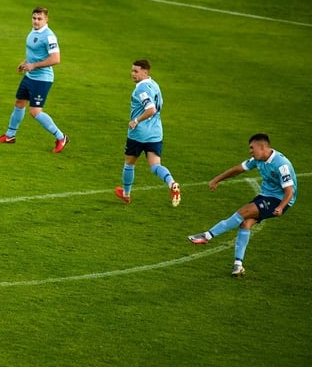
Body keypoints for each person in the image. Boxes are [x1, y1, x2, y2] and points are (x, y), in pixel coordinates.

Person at [188, 133, 297, 277]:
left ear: (262, 147)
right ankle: (238, 265)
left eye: (252, 148)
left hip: (281, 200)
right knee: (245, 223)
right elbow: (238, 169)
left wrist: (281, 207)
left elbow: (289, 191)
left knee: (243, 212)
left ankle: (207, 235)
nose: (250, 151)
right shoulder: (258, 159)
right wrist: (217, 179)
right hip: (265, 196)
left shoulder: (281, 164)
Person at [0, 7, 68, 153]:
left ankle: (61, 137)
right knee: (19, 103)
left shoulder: (49, 36)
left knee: (35, 112)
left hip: (42, 79)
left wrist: (33, 65)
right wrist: (25, 62)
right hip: (30, 77)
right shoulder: (34, 31)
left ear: (46, 20)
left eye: (40, 19)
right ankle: (10, 136)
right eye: (34, 18)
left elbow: (56, 59)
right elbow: (35, 53)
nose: (36, 21)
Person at [113, 59, 181, 206]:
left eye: (136, 71)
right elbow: (159, 105)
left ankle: (126, 195)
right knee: (155, 166)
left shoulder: (141, 89)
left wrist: (136, 120)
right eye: (132, 71)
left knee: (129, 163)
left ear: (145, 72)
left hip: (139, 133)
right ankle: (171, 183)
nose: (132, 74)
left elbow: (151, 109)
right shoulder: (154, 84)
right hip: (155, 132)